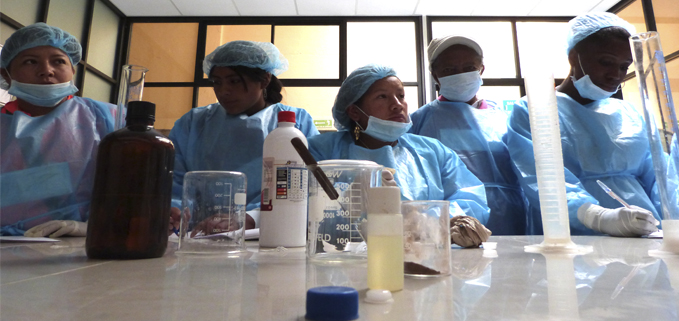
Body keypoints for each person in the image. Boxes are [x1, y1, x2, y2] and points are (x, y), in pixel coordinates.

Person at [505, 12, 664, 236]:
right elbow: (539, 178)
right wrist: (598, 217)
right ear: (573, 57)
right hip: (573, 236)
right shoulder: (535, 109)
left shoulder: (629, 112)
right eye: (606, 62)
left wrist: (670, 219)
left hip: (644, 230)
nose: (615, 75)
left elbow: (660, 177)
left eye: (624, 66)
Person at [308, 64, 489, 221]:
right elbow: (299, 206)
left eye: (400, 96)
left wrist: (427, 221)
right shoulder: (321, 151)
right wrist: (351, 202)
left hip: (422, 252)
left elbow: (471, 200)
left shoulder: (433, 151)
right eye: (382, 97)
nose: (397, 105)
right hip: (344, 256)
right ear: (354, 112)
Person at [169, 40, 319, 230]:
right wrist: (175, 211)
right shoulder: (193, 123)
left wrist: (251, 217)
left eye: (234, 81)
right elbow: (173, 181)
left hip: (273, 232)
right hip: (197, 235)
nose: (223, 92)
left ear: (264, 80)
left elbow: (309, 185)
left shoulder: (296, 122)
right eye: (217, 82)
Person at [0, 23, 115, 236]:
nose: (46, 71)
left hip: (85, 246)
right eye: (30, 61)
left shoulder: (107, 119)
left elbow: (135, 188)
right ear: (6, 75)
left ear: (72, 69)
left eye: (58, 61)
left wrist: (93, 227)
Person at [410, 35, 527, 235]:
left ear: (481, 70)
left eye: (469, 68)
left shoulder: (506, 118)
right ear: (435, 75)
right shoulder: (420, 121)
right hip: (450, 224)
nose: (460, 74)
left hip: (511, 218)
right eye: (449, 70)